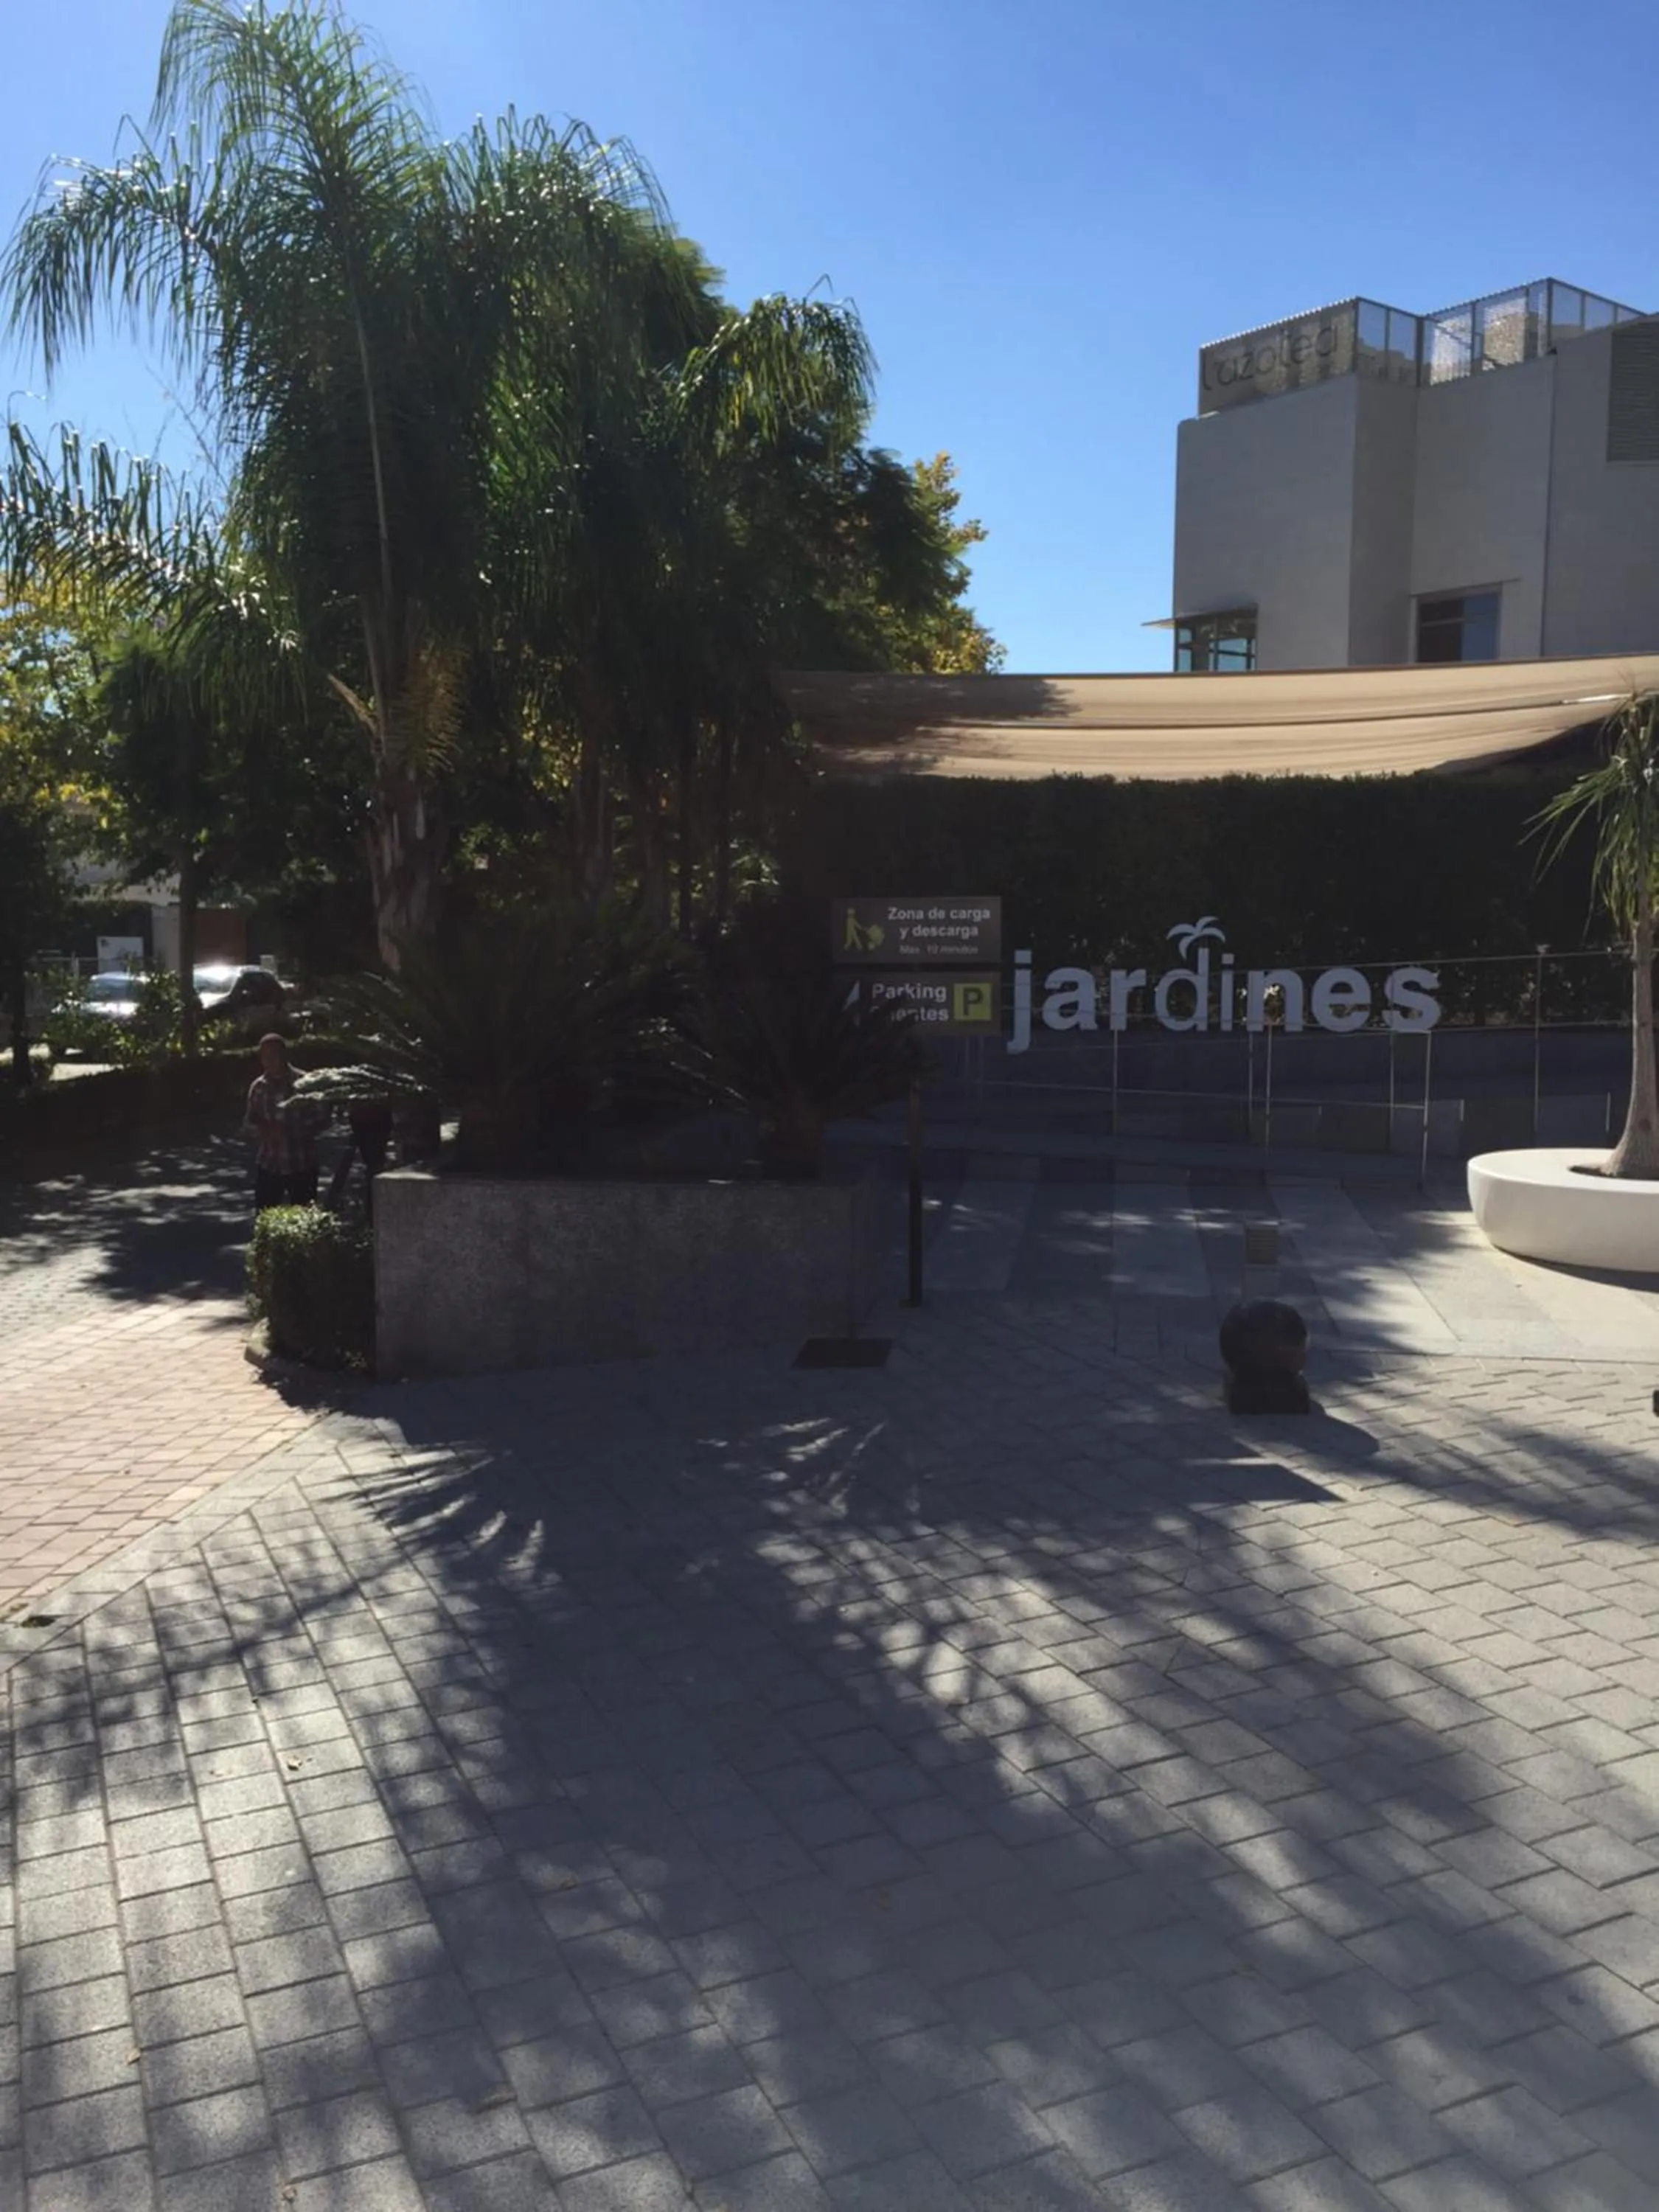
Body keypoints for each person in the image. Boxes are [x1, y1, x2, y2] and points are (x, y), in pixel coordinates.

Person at [244, 1033, 320, 1213]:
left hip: (301, 1163)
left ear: (284, 1055)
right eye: (264, 1056)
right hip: (269, 1164)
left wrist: (290, 1130)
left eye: (273, 1055)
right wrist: (261, 1130)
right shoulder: (258, 1087)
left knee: (304, 1219)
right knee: (264, 1218)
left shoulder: (305, 1083)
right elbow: (249, 1121)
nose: (268, 1060)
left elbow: (322, 1118)